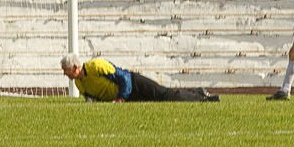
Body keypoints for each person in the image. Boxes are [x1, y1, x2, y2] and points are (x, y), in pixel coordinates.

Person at [60, 53, 219, 102]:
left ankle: (203, 99)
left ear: (75, 67)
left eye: (65, 70)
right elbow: (93, 98)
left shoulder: (96, 65)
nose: (64, 73)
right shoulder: (79, 83)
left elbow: (123, 77)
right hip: (126, 99)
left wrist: (121, 97)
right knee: (158, 102)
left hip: (134, 84)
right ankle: (198, 91)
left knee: (165, 95)